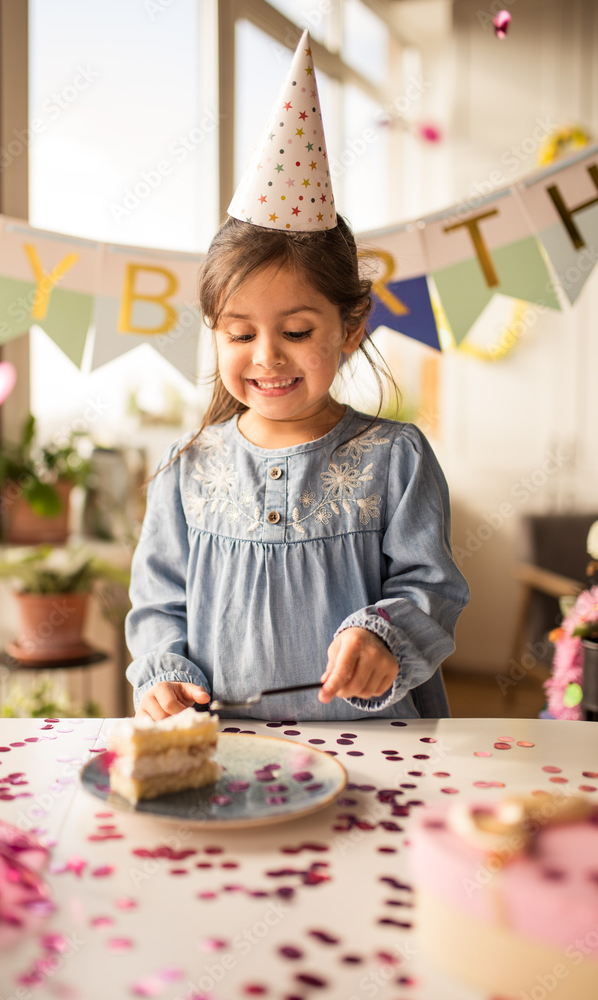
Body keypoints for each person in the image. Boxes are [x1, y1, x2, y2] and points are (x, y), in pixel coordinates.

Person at [125, 30, 469, 723]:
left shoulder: (393, 458)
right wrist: (162, 675)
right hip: (232, 750)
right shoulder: (186, 469)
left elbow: (432, 585)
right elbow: (159, 605)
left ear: (351, 325)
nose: (267, 358)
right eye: (240, 332)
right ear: (215, 331)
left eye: (296, 331)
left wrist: (382, 633)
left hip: (380, 753)